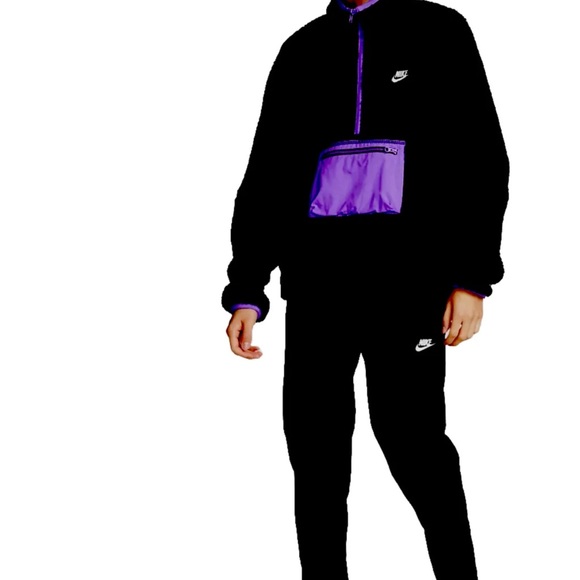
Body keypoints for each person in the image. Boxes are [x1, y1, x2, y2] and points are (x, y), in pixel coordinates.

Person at [221, 0, 509, 578]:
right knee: (315, 453)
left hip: (409, 284)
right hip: (317, 290)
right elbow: (268, 172)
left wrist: (471, 277)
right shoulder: (302, 49)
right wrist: (248, 285)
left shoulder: (440, 31)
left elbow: (481, 157)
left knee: (413, 442)